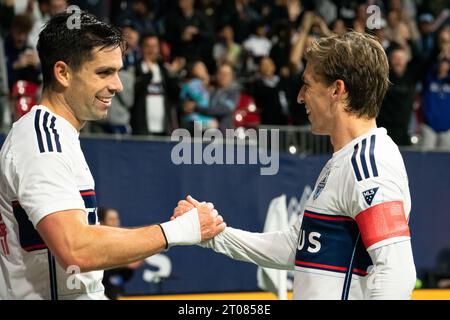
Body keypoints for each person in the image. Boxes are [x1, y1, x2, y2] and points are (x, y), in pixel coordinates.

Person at [173, 32, 417, 300]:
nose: (300, 97)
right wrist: (213, 235)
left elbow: (397, 273)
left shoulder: (369, 164)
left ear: (337, 90)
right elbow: (296, 245)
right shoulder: (346, 160)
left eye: (308, 85)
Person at [0, 11, 225, 300]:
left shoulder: (57, 135)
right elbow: (76, 249)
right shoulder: (42, 142)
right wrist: (183, 229)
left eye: (118, 71)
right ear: (63, 73)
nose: (117, 85)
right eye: (104, 72)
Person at [98, 207, 143, 300]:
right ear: (101, 222)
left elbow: (125, 276)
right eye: (111, 219)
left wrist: (129, 266)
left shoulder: (121, 243)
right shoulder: (98, 243)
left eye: (116, 219)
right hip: (101, 293)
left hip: (118, 294)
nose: (115, 222)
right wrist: (125, 263)